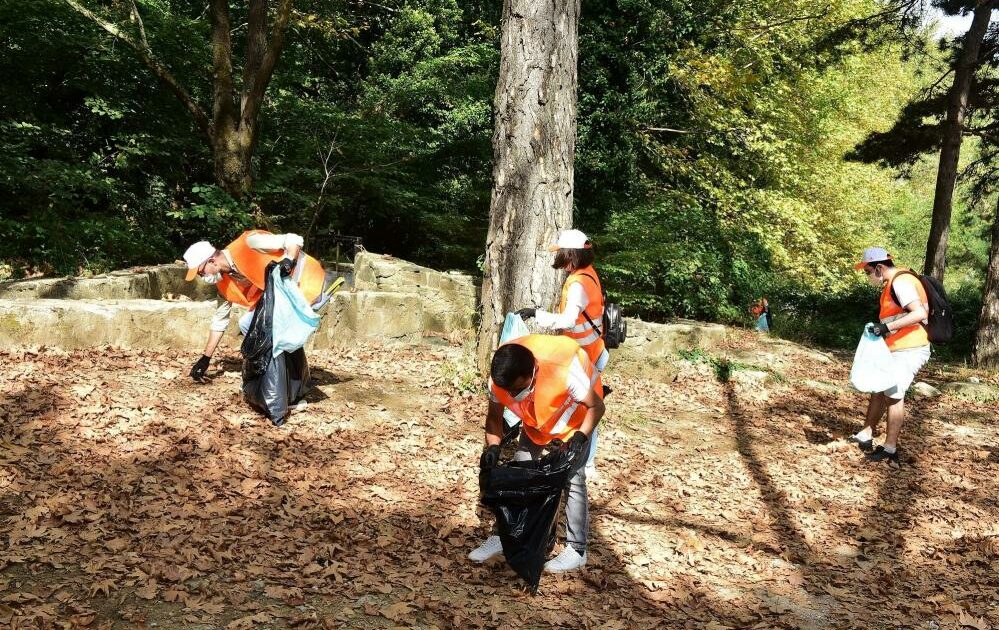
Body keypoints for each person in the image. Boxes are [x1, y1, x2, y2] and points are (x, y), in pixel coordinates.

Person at [469, 334, 605, 573]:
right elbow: (494, 418)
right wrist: (492, 447)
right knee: (519, 469)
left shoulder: (564, 369)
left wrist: (580, 437)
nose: (511, 396)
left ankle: (577, 550)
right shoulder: (502, 374)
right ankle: (506, 536)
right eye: (508, 391)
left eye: (517, 390)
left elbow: (597, 406)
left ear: (533, 373)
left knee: (573, 478)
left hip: (578, 419)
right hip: (539, 417)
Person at [516, 229, 607, 476]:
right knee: (587, 405)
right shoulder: (588, 274)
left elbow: (568, 320)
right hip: (592, 350)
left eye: (562, 255)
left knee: (590, 407)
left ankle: (585, 464)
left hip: (586, 356)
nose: (560, 262)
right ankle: (580, 457)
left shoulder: (578, 283)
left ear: (572, 255)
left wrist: (537, 315)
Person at [182, 230, 329, 382]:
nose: (202, 278)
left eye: (201, 273)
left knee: (272, 327)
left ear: (211, 261)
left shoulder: (249, 243)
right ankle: (280, 378)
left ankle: (289, 381)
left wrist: (289, 260)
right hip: (284, 296)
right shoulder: (223, 282)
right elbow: (220, 321)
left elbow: (294, 239)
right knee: (247, 324)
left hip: (306, 282)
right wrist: (205, 358)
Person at [847, 247, 931, 467]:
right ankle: (866, 433)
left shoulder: (901, 282)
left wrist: (886, 328)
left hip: (911, 347)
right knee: (879, 387)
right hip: (897, 346)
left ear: (879, 267)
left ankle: (890, 449)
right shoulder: (894, 283)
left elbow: (919, 314)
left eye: (867, 272)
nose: (867, 277)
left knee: (893, 392)